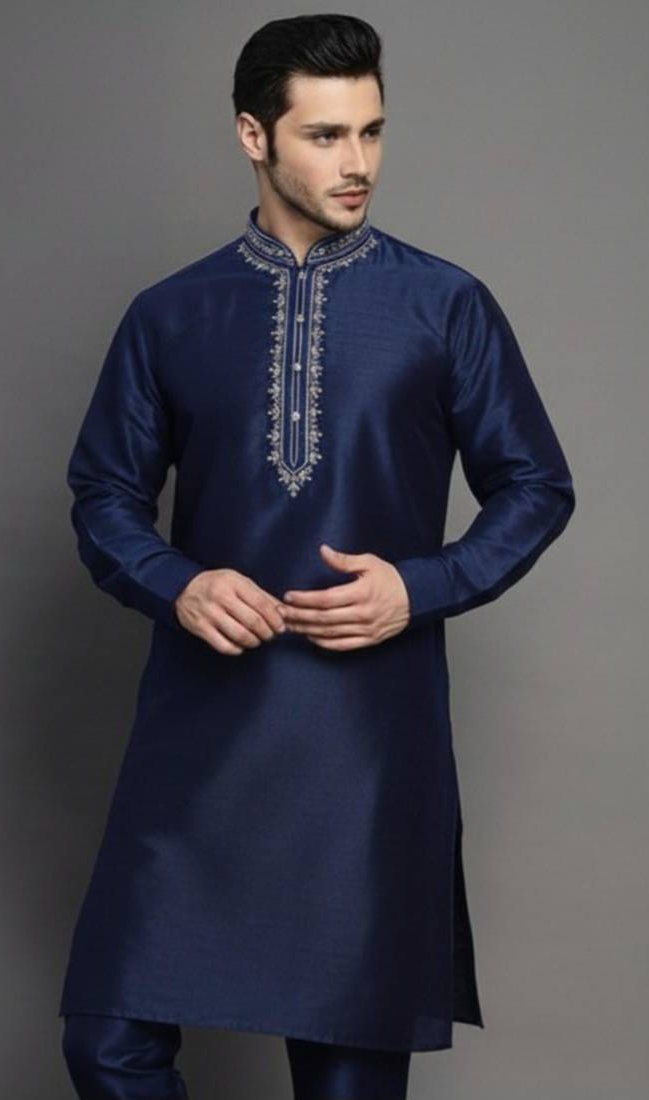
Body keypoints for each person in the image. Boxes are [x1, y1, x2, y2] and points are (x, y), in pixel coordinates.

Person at [58, 13, 575, 1099]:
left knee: (346, 1077)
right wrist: (178, 583)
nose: (358, 163)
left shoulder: (444, 304)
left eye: (372, 132)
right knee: (108, 1039)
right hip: (202, 724)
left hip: (365, 738)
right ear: (254, 135)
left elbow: (536, 485)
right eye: (326, 135)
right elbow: (104, 495)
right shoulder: (171, 313)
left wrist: (419, 586)